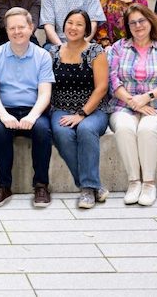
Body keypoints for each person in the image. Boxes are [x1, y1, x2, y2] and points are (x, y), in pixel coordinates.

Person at [108, 5, 157, 206]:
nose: (138, 26)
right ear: (127, 26)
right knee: (125, 128)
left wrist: (146, 98)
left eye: (142, 21)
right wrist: (134, 102)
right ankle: (134, 182)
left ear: (150, 21)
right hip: (124, 105)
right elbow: (113, 80)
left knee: (147, 129)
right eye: (133, 23)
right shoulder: (118, 48)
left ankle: (149, 183)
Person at [0, 7, 54, 208]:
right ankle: (3, 186)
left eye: (21, 27)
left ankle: (41, 185)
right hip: (3, 108)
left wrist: (32, 116)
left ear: (31, 28)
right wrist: (4, 115)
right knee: (1, 130)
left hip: (34, 109)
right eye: (11, 28)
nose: (17, 32)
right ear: (6, 31)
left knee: (42, 129)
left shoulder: (43, 56)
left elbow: (45, 93)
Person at [49, 10, 109, 209]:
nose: (73, 28)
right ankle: (94, 186)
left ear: (86, 29)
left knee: (85, 129)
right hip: (61, 107)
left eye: (79, 24)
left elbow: (102, 87)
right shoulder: (53, 52)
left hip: (93, 109)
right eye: (70, 23)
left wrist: (82, 114)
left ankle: (86, 190)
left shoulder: (95, 52)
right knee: (61, 133)